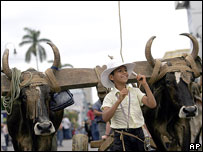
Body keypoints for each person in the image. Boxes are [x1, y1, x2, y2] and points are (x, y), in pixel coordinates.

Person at [101, 60, 157, 151]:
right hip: (122, 136)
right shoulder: (110, 97)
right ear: (111, 77)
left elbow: (152, 104)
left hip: (139, 134)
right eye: (120, 71)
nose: (125, 73)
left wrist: (145, 84)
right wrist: (118, 100)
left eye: (125, 70)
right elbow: (105, 117)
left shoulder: (135, 91)